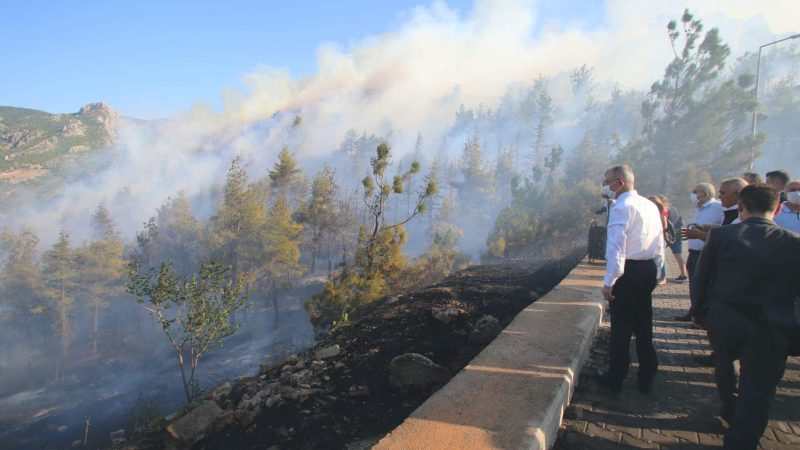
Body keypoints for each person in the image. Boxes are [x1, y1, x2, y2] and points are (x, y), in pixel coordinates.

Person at [690, 184, 800, 450]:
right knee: (759, 389)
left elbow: (701, 279)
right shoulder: (794, 243)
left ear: (740, 207)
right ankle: (742, 440)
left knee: (725, 367)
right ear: (776, 208)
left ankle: (730, 407)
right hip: (773, 326)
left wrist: (699, 313)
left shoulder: (721, 237)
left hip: (725, 320)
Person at [599, 165, 665, 394]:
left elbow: (617, 247)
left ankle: (616, 377)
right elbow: (659, 242)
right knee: (644, 325)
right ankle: (647, 374)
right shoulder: (649, 205)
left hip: (627, 272)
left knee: (622, 327)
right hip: (646, 269)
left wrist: (610, 281)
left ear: (620, 182)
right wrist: (658, 271)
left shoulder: (622, 207)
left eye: (607, 181)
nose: (605, 186)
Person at [675, 182, 723, 321]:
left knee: (703, 286)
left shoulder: (718, 208)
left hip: (706, 253)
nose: (693, 194)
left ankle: (702, 315)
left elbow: (721, 228)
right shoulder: (699, 208)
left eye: (696, 192)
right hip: (693, 252)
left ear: (706, 194)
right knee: (694, 285)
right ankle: (694, 310)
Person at [661, 196, 688, 282]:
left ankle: (662, 275)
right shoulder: (674, 209)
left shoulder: (664, 210)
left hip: (667, 235)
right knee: (678, 254)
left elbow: (664, 223)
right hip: (677, 233)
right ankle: (683, 274)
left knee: (660, 254)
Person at [648, 196, 670, 285]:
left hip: (658, 237)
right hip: (654, 237)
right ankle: (659, 276)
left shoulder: (661, 212)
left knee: (661, 257)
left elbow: (664, 226)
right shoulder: (655, 211)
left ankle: (662, 277)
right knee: (658, 257)